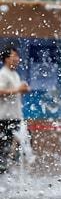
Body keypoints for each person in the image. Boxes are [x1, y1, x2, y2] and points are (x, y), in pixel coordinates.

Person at [0, 46, 29, 174]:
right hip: (4, 119)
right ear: (6, 59)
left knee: (23, 142)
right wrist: (18, 90)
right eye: (14, 56)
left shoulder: (15, 74)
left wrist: (22, 89)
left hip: (15, 117)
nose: (17, 59)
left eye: (18, 56)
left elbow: (14, 92)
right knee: (3, 149)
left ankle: (10, 172)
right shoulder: (3, 74)